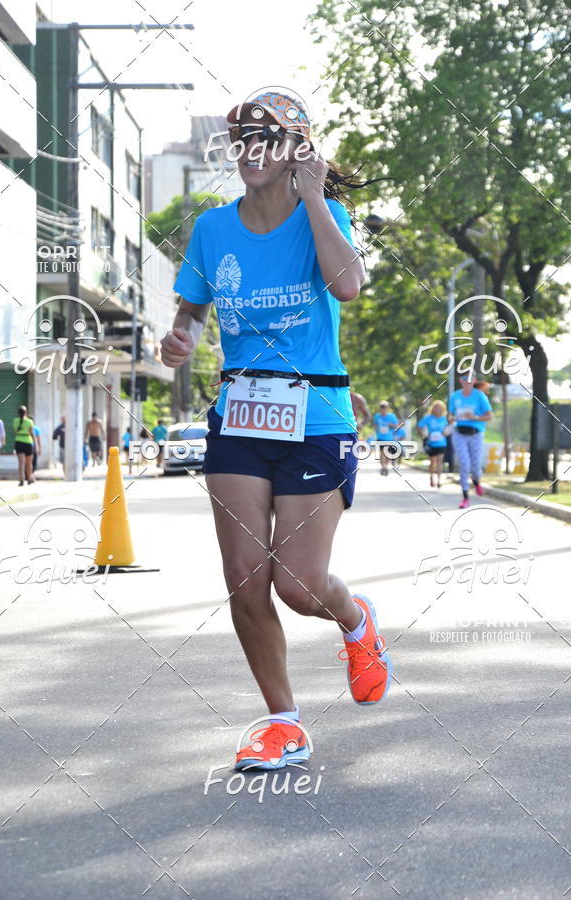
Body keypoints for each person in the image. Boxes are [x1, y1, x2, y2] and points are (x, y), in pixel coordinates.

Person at [161, 89, 392, 770]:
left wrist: (315, 198)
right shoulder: (212, 230)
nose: (253, 149)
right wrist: (180, 338)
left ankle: (355, 620)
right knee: (244, 575)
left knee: (298, 584)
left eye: (270, 137)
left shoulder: (326, 215)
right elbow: (191, 313)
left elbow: (348, 286)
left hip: (316, 415)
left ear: (297, 149)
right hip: (239, 414)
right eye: (244, 137)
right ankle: (283, 723)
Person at [448, 372, 493, 508]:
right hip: (459, 434)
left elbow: (489, 416)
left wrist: (474, 417)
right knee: (464, 464)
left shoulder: (480, 396)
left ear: (474, 380)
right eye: (464, 378)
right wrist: (451, 418)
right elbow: (450, 414)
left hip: (476, 434)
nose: (467, 380)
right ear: (460, 380)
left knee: (476, 465)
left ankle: (476, 480)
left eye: (470, 378)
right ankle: (465, 497)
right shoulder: (455, 396)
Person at [418, 400, 448, 488]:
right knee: (432, 462)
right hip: (431, 444)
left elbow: (448, 428)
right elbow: (419, 426)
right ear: (433, 409)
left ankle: (439, 480)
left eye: (439, 408)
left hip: (442, 443)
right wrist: (423, 436)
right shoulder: (428, 418)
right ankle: (431, 477)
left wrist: (446, 432)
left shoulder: (444, 419)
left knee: (440, 462)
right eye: (436, 407)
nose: (437, 409)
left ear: (442, 409)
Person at [373, 401, 398, 475]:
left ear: (387, 408)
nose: (383, 409)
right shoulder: (377, 416)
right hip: (380, 437)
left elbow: (396, 426)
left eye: (385, 407)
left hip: (389, 438)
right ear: (380, 408)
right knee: (382, 453)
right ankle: (384, 467)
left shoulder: (392, 416)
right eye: (382, 407)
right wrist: (376, 429)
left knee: (388, 455)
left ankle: (385, 466)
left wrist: (391, 425)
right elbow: (375, 425)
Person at [12, 406, 36, 486]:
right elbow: (32, 433)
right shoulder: (29, 421)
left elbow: (15, 431)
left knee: (21, 463)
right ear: (26, 412)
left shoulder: (15, 420)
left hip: (19, 441)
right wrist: (35, 444)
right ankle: (29, 478)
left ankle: (21, 480)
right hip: (28, 442)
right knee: (29, 463)